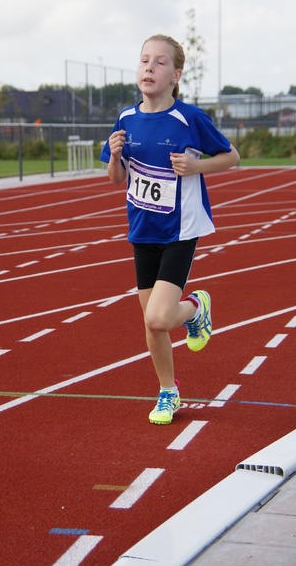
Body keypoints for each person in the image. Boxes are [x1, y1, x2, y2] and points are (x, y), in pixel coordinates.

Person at [100, 34, 240, 425]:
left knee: (160, 318)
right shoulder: (127, 119)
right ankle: (168, 392)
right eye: (144, 60)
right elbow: (117, 179)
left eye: (160, 62)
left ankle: (196, 308)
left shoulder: (189, 119)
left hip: (180, 229)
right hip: (142, 229)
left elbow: (232, 156)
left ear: (176, 74)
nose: (149, 67)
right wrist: (114, 158)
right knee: (152, 323)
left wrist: (198, 167)